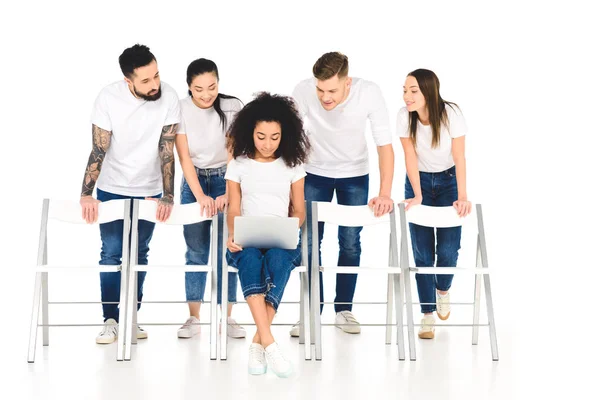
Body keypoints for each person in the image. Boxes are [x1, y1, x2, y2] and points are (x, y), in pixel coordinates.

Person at [79, 44, 181, 344]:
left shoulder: (170, 96)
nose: (155, 85)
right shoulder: (108, 98)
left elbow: (167, 150)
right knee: (111, 253)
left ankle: (132, 316)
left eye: (157, 76)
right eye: (146, 81)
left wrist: (168, 194)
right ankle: (110, 319)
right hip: (112, 187)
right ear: (129, 81)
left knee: (139, 253)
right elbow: (99, 148)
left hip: (149, 188)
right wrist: (86, 193)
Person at [290, 51, 394, 336]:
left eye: (332, 90)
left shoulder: (369, 92)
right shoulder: (302, 90)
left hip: (354, 176)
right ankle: (311, 311)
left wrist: (384, 193)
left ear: (347, 82)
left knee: (350, 242)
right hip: (314, 173)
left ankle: (344, 310)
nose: (325, 97)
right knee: (308, 243)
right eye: (320, 89)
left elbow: (384, 145)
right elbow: (289, 138)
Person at [225, 92, 310, 377]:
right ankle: (270, 344)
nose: (267, 143)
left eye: (275, 137)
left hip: (282, 241)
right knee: (249, 260)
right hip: (245, 240)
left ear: (284, 135)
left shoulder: (293, 165)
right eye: (261, 136)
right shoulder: (238, 164)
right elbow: (233, 208)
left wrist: (290, 227)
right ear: (250, 132)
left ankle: (258, 343)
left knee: (276, 259)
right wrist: (233, 234)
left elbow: (299, 211)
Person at [397, 68, 471, 339]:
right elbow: (409, 156)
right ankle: (427, 315)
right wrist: (417, 194)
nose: (407, 96)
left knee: (449, 249)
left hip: (449, 181)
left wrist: (462, 196)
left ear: (429, 91)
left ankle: (443, 290)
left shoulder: (451, 113)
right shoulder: (404, 117)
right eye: (405, 90)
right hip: (418, 182)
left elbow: (460, 157)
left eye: (413, 90)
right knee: (422, 252)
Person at [174, 58, 245, 339]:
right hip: (194, 180)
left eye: (212, 87)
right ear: (189, 88)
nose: (206, 95)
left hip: (226, 177)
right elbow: (184, 157)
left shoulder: (232, 106)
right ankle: (193, 317)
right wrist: (200, 195)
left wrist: (229, 190)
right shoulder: (180, 108)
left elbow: (234, 152)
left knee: (230, 249)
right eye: (198, 89)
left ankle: (226, 317)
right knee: (196, 252)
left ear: (219, 83)